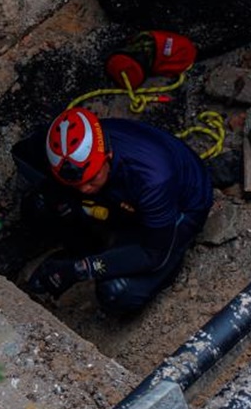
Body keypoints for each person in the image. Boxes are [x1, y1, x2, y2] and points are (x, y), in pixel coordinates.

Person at [20, 105, 212, 316]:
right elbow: (21, 155)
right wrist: (59, 196)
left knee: (117, 292)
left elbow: (152, 254)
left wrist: (79, 270)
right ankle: (87, 246)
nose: (84, 188)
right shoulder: (61, 146)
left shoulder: (153, 179)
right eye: (77, 183)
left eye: (91, 179)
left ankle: (170, 262)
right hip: (120, 196)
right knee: (39, 206)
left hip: (179, 209)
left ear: (108, 155)